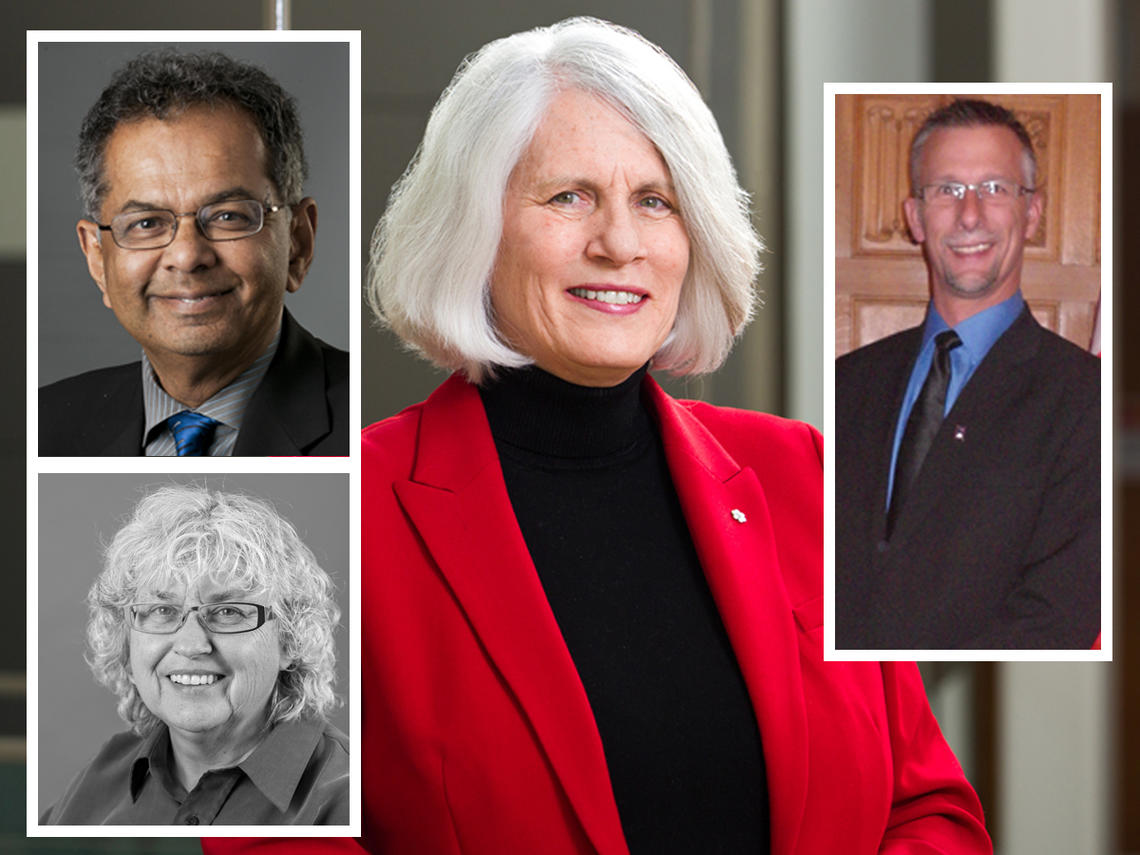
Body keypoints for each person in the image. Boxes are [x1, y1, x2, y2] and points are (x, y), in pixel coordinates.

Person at [206, 18, 990, 855]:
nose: (620, 243)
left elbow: (928, 806)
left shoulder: (808, 474)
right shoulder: (327, 519)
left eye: (655, 201)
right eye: (569, 196)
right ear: (474, 229)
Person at [836, 98, 1100, 649]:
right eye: (948, 190)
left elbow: (1059, 616)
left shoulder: (1084, 399)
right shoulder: (844, 384)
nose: (971, 215)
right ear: (915, 217)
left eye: (996, 188)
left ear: (1032, 214)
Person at [39, 49, 348, 456]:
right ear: (97, 258)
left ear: (298, 241)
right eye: (146, 223)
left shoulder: (366, 424)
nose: (186, 256)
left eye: (227, 217)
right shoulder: (44, 425)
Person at [42, 485, 347, 825]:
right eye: (162, 610)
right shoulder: (100, 780)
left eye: (228, 611)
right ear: (126, 640)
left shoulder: (354, 800)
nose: (191, 644)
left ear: (291, 640)